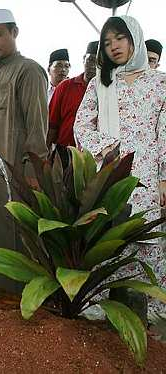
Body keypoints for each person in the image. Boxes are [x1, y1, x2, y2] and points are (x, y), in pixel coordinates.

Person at [74, 16, 166, 313]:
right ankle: (102, 311)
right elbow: (82, 126)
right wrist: (107, 147)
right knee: (108, 239)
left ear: (135, 38)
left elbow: (163, 133)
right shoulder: (100, 83)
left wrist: (164, 178)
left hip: (147, 177)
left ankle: (149, 314)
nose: (113, 46)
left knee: (145, 241)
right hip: (109, 174)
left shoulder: (159, 84)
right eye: (107, 41)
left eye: (120, 38)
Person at [0, 9, 49, 293]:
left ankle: (15, 296)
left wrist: (31, 174)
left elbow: (37, 129)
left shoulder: (29, 70)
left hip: (17, 172)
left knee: (15, 233)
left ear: (14, 33)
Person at [48, 41, 98, 147]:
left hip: (95, 155)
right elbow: (52, 126)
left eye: (98, 62)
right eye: (91, 60)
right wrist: (45, 157)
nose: (93, 66)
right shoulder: (65, 87)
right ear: (84, 59)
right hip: (65, 153)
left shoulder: (108, 91)